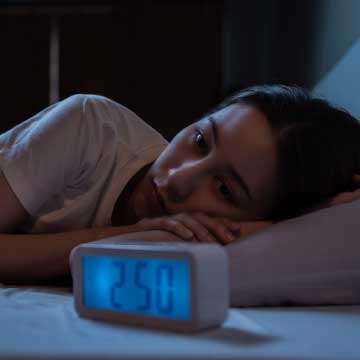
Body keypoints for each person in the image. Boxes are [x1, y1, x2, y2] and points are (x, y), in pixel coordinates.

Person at [1, 84, 360, 283]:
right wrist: (122, 238)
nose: (176, 179)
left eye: (224, 190)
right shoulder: (89, 126)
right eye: (200, 140)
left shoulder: (220, 232)